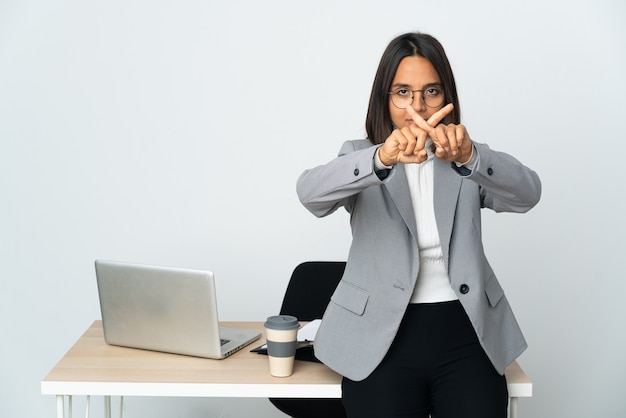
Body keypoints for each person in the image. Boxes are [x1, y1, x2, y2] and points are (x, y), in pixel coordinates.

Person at [296, 32, 541, 418]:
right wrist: (381, 158)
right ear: (385, 98)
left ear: (447, 97)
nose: (418, 106)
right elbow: (310, 194)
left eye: (431, 91)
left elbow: (528, 194)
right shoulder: (361, 156)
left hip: (464, 331)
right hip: (380, 335)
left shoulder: (465, 156)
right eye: (403, 92)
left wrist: (472, 157)